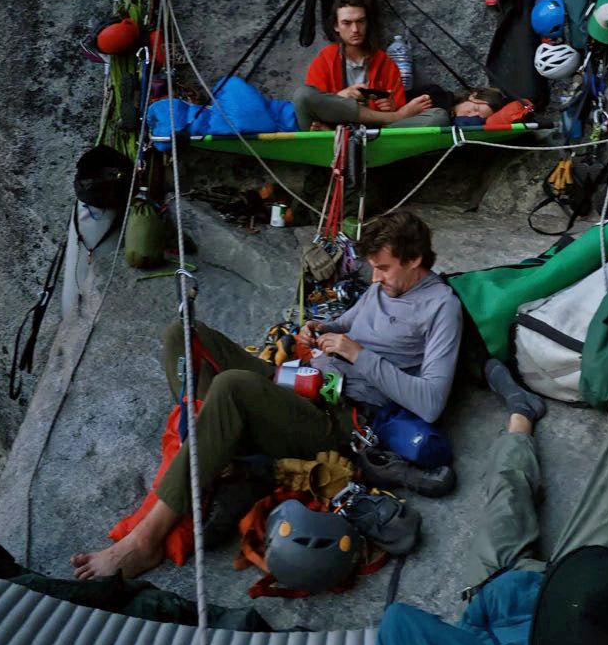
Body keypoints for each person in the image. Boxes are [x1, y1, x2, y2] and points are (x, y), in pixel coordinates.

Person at [71, 211, 463, 580]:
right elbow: (348, 322)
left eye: (383, 268)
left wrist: (357, 354)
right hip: (300, 382)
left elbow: (430, 402)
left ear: (414, 260)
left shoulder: (440, 308)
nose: (374, 278)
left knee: (231, 386)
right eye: (373, 267)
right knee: (183, 333)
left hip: (336, 418)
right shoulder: (382, 287)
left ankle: (146, 539)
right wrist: (317, 327)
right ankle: (210, 446)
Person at [372, 376, 608, 645]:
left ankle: (520, 419)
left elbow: (399, 626)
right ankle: (520, 418)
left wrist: (477, 623)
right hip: (585, 596)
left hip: (499, 598)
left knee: (507, 494)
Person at [298, 0, 438, 127]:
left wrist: (392, 106)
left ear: (367, 23)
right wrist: (340, 98)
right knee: (303, 94)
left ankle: (393, 119)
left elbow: (399, 104)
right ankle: (395, 118)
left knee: (438, 116)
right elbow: (314, 103)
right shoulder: (324, 59)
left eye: (360, 21)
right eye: (347, 23)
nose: (355, 30)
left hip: (377, 132)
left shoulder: (385, 62)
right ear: (336, 26)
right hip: (335, 130)